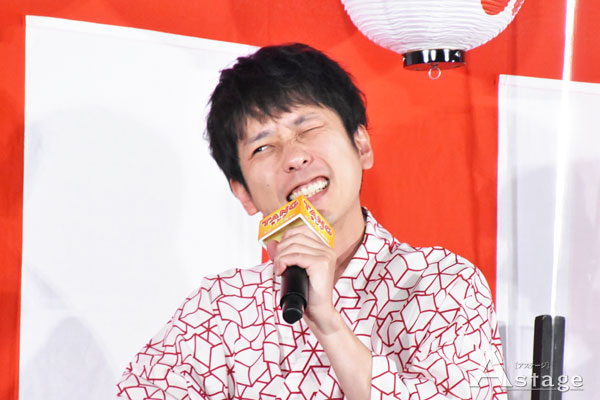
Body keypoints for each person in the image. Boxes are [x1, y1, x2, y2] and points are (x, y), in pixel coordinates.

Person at [117, 43, 507, 400]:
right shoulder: (219, 309)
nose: (294, 157)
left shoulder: (440, 284)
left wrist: (328, 323)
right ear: (243, 194)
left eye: (309, 128)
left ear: (361, 145)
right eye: (263, 147)